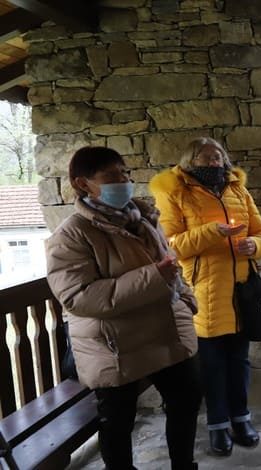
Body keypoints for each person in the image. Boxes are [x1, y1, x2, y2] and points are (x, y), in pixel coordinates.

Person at [46, 146, 201, 470]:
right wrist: (152, 277)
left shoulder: (143, 218)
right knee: (117, 422)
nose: (124, 180)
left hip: (163, 330)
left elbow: (169, 264)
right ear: (83, 183)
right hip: (113, 344)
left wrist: (186, 300)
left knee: (186, 400)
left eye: (125, 173)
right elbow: (78, 296)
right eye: (112, 175)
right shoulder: (72, 235)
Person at [149, 137, 261, 457]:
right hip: (203, 290)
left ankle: (241, 418)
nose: (214, 161)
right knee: (212, 365)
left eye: (218, 156)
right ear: (190, 161)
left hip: (240, 291)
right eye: (205, 157)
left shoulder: (237, 190)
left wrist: (254, 246)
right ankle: (217, 425)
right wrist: (212, 232)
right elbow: (171, 245)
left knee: (239, 361)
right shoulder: (175, 192)